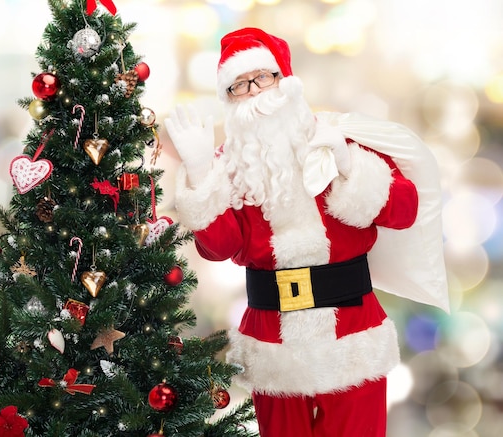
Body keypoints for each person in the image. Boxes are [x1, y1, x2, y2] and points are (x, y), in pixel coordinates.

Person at [165, 27, 448, 437]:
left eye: (263, 77)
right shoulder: (228, 166)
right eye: (240, 85)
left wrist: (349, 167)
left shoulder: (336, 140)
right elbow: (219, 246)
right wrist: (198, 172)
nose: (256, 92)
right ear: (228, 99)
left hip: (352, 331)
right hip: (271, 340)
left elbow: (405, 210)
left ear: (286, 80)